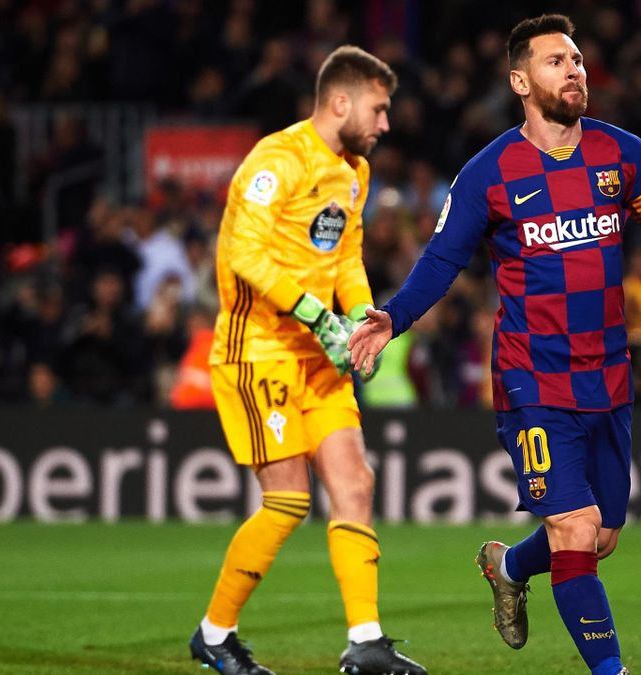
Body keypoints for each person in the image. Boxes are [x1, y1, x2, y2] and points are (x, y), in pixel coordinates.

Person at [348, 15, 641, 675]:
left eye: (579, 59)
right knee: (576, 529)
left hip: (608, 374)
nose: (575, 69)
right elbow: (443, 257)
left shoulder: (624, 155)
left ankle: (508, 563)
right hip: (533, 376)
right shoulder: (489, 172)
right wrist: (394, 316)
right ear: (520, 81)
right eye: (557, 61)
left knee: (600, 536)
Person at [188, 45, 426, 675]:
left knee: (356, 484)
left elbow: (345, 256)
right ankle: (214, 634)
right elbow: (244, 254)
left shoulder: (355, 170)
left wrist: (363, 317)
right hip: (258, 351)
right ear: (341, 101)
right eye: (378, 109)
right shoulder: (277, 159)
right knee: (288, 501)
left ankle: (366, 643)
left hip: (319, 357)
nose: (385, 124)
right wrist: (318, 315)